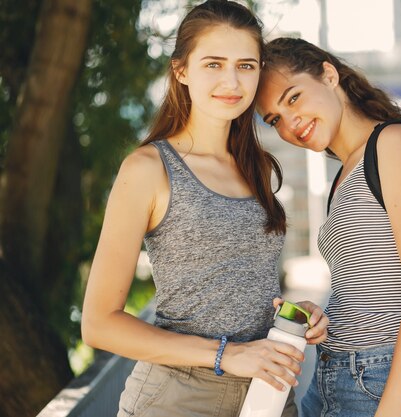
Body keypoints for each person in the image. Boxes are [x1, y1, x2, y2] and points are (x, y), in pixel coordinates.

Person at [81, 4, 328, 417]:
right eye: (213, 64)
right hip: (179, 399)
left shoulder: (258, 168)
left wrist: (294, 316)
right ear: (181, 71)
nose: (231, 81)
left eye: (246, 66)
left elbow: (238, 285)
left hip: (266, 395)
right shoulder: (148, 168)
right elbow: (99, 323)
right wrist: (226, 355)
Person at [256, 37, 401, 417]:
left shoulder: (394, 145)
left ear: (328, 74)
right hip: (333, 380)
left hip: (392, 386)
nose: (290, 123)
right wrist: (321, 315)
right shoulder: (345, 172)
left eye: (293, 98)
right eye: (274, 119)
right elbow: (370, 286)